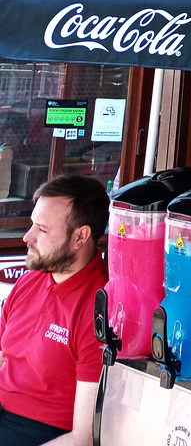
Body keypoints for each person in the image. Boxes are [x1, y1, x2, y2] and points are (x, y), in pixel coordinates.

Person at [0, 175, 109, 446]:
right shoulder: (29, 280)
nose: (28, 237)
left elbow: (82, 437)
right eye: (31, 225)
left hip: (41, 433)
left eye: (42, 229)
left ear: (80, 236)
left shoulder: (100, 308)